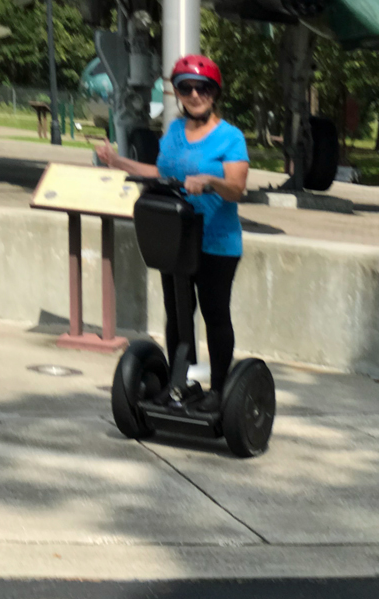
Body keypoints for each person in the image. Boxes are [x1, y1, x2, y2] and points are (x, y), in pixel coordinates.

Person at [96, 54, 249, 412]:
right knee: (177, 312)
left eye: (203, 88)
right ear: (178, 93)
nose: (195, 94)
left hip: (217, 242)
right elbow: (158, 171)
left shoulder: (230, 137)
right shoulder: (175, 133)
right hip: (176, 237)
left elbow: (237, 188)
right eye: (186, 88)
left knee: (214, 313)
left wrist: (210, 181)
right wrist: (119, 162)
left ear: (215, 92)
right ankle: (181, 382)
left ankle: (219, 390)